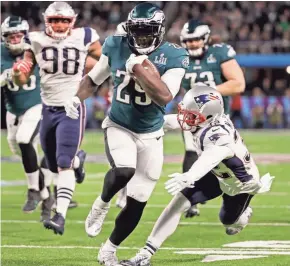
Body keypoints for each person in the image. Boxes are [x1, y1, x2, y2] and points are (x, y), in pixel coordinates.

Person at [65, 2, 189, 264]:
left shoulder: (175, 56)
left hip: (152, 133)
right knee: (124, 170)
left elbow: (164, 96)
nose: (142, 36)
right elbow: (93, 79)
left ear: (160, 31)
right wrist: (76, 99)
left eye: (147, 30)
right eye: (137, 30)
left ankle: (109, 250)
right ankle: (101, 204)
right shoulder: (115, 44)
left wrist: (140, 69)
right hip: (119, 124)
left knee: (138, 200)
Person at [122, 84, 274, 266]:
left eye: (192, 115)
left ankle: (243, 213)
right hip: (215, 173)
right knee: (178, 202)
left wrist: (190, 175)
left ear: (208, 116)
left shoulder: (219, 135)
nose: (186, 119)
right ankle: (145, 254)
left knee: (229, 224)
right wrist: (141, 124)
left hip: (239, 184)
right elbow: (172, 121)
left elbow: (211, 157)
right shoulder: (205, 121)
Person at [12, 1, 102, 235]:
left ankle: (59, 214)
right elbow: (23, 77)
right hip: (47, 108)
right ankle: (78, 161)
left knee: (62, 164)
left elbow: (103, 61)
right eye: (54, 20)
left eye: (63, 20)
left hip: (71, 107)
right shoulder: (35, 40)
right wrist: (19, 72)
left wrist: (87, 74)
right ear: (46, 21)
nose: (59, 25)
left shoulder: (86, 36)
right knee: (51, 163)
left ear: (72, 21)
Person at [179, 20, 246, 217]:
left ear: (205, 39)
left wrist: (206, 93)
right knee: (191, 152)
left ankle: (236, 203)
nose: (193, 44)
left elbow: (238, 84)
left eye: (197, 39)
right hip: (192, 116)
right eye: (189, 40)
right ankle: (190, 201)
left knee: (224, 160)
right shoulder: (180, 58)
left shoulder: (219, 53)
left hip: (219, 118)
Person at [1, 16, 54, 221]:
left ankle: (33, 190)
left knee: (25, 141)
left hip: (36, 105)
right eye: (11, 36)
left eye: (18, 35)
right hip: (12, 110)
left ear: (25, 34)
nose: (15, 40)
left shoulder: (38, 47)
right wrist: (6, 76)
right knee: (23, 153)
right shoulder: (0, 52)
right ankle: (46, 195)